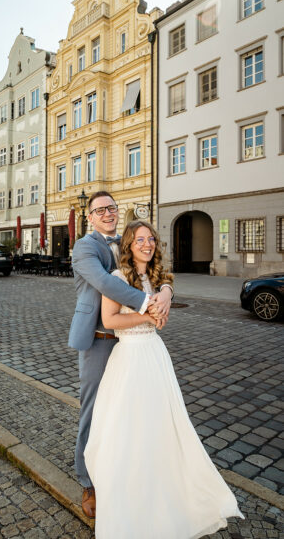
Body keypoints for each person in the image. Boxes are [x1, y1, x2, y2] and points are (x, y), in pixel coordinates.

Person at [84, 220, 244, 538]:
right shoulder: (118, 278)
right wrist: (147, 314)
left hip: (155, 356)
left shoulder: (155, 278)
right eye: (140, 239)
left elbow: (161, 320)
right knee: (128, 430)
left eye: (151, 239)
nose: (147, 244)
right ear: (129, 245)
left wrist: (165, 299)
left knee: (161, 427)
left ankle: (164, 488)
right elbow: (109, 319)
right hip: (129, 359)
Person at [68, 191, 173, 518]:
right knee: (94, 411)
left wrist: (167, 290)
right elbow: (104, 282)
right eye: (99, 210)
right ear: (90, 216)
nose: (107, 213)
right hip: (101, 339)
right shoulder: (86, 247)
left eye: (111, 208)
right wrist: (149, 305)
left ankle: (123, 474)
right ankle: (88, 480)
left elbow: (152, 268)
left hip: (130, 342)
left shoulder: (127, 240)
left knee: (126, 414)